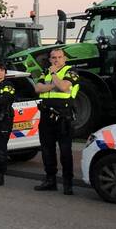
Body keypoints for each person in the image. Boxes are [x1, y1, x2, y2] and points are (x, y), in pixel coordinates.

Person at [33, 48, 80, 194]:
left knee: (65, 151)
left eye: (59, 57)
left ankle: (68, 183)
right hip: (46, 116)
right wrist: (53, 84)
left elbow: (64, 86)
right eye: (53, 57)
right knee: (47, 150)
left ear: (65, 59)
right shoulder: (45, 72)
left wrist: (53, 75)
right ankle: (50, 180)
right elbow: (37, 88)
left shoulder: (71, 72)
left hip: (63, 117)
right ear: (50, 59)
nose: (56, 60)